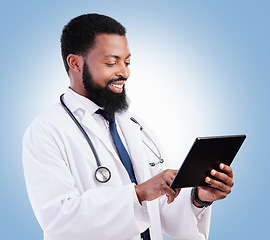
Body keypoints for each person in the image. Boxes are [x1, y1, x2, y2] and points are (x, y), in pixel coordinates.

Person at [22, 13, 234, 240]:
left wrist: (199, 196)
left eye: (127, 62)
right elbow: (58, 219)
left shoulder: (134, 125)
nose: (124, 72)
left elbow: (161, 206)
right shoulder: (46, 131)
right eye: (112, 63)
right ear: (75, 63)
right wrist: (139, 193)